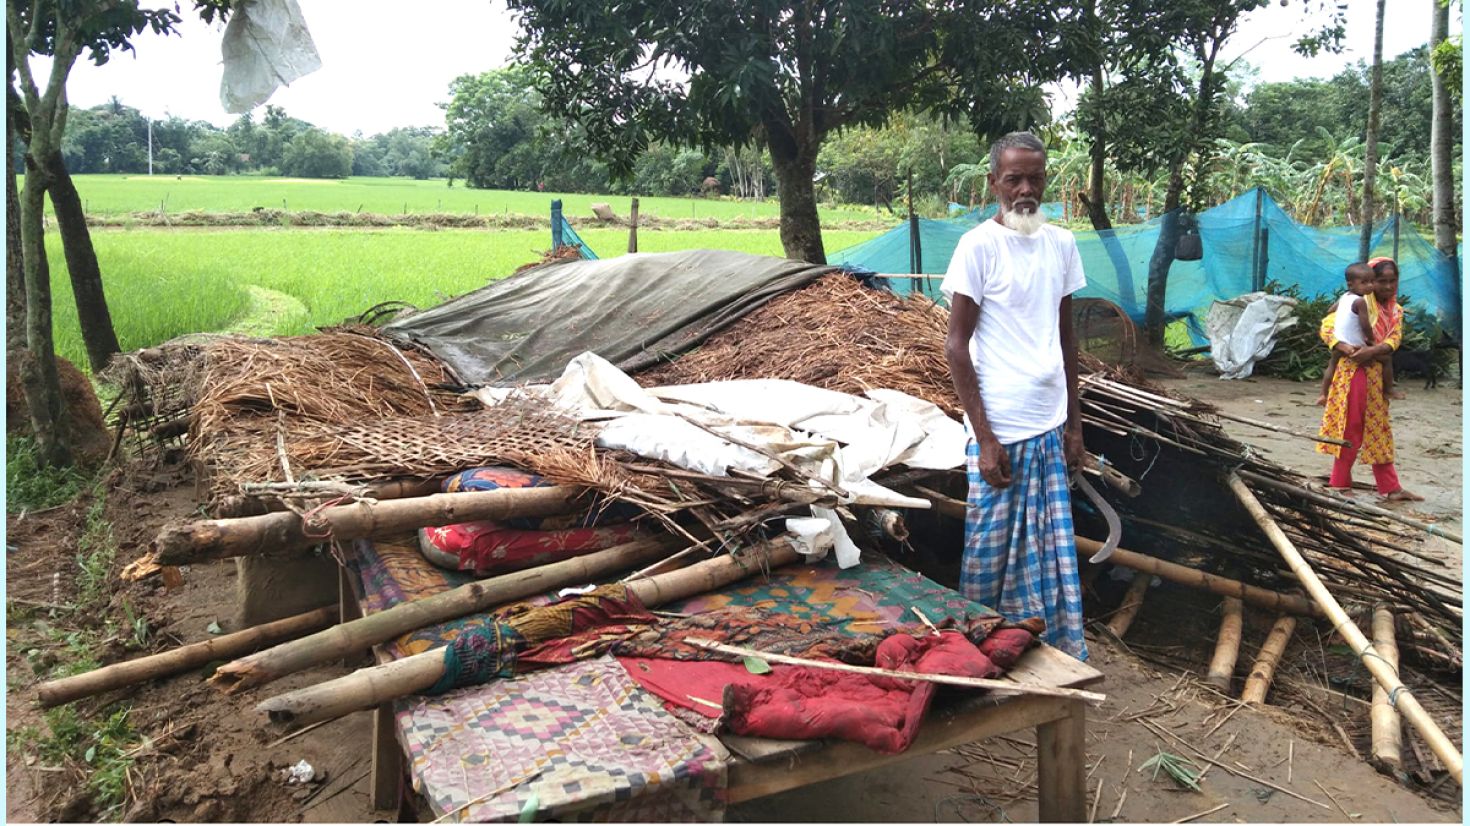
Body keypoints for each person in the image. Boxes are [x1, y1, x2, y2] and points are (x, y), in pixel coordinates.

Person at [941, 131, 1087, 660]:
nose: (1026, 189)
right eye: (1014, 179)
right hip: (1001, 427)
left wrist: (1074, 426)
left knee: (1047, 553)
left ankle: (1040, 649)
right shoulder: (978, 246)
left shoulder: (1061, 244)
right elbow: (956, 347)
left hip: (1049, 426)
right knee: (989, 551)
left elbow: (1067, 338)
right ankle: (976, 654)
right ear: (993, 183)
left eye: (1035, 178)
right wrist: (983, 438)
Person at [1316, 256, 1422, 501]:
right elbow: (1326, 328)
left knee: (1379, 428)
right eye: (1381, 281)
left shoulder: (1395, 311)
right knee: (1350, 426)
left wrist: (1373, 351)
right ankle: (1339, 482)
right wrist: (1344, 347)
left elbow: (1393, 339)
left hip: (1376, 373)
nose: (1387, 287)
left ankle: (1391, 488)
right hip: (1352, 372)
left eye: (1392, 281)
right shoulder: (1355, 302)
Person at [1315, 263, 1380, 406]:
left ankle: (1323, 394)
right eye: (1364, 282)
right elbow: (1365, 324)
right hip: (1353, 344)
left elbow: (1330, 310)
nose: (1369, 286)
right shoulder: (1360, 301)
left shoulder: (1344, 296)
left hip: (1338, 340)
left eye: (1372, 281)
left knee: (1332, 365)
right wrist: (1371, 339)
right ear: (1351, 284)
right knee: (1371, 362)